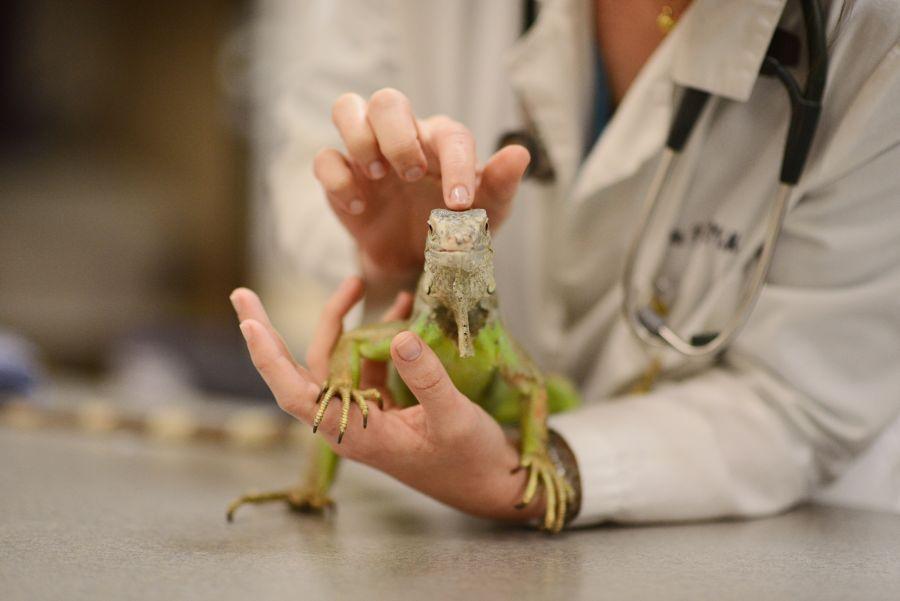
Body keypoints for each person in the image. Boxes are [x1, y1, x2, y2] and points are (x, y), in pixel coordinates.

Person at [235, 0, 900, 528]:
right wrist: (379, 247)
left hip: (778, 526)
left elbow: (804, 397)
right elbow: (302, 152)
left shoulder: (872, 29)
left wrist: (549, 457)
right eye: (447, 238)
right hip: (432, 526)